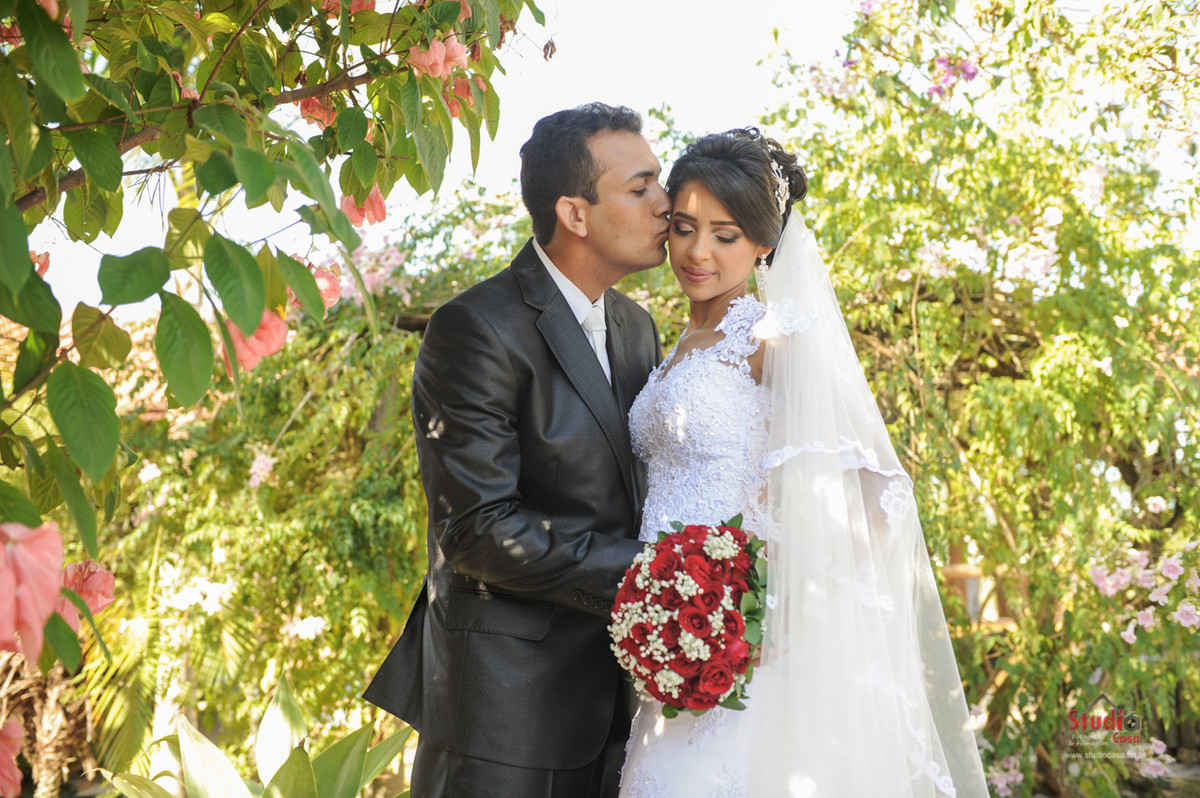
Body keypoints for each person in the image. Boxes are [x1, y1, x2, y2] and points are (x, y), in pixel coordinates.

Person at [619, 129, 989, 796]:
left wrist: (771, 598)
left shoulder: (773, 334)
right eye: (684, 228)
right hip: (671, 641)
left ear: (764, 243)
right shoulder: (675, 342)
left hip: (742, 644)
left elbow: (881, 492)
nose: (698, 252)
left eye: (725, 235)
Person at [363, 102, 671, 798]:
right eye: (641, 186)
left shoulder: (636, 327)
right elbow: (478, 530)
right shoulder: (475, 327)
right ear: (575, 213)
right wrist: (660, 571)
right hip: (506, 716)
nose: (666, 202)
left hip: (625, 706)